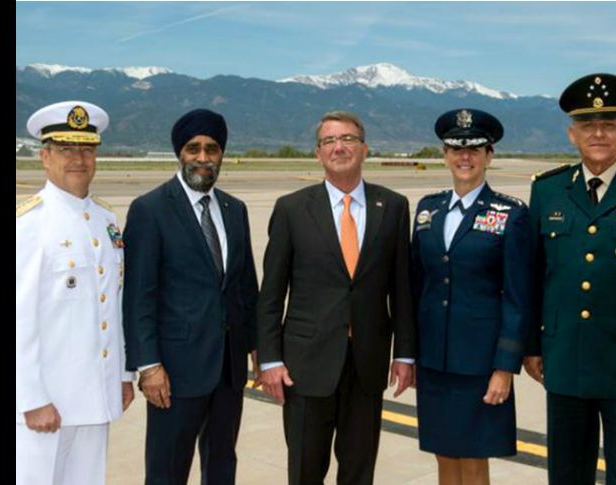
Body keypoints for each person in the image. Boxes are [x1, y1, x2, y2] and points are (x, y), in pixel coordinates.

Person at [257, 111, 417, 485]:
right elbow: (271, 293)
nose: (339, 147)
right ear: (317, 153)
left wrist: (405, 353)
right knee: (305, 470)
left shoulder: (392, 207)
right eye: (329, 141)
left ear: (364, 149)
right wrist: (269, 358)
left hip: (367, 363)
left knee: (359, 471)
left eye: (347, 139)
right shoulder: (291, 209)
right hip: (305, 366)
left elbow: (402, 288)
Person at [523, 73, 616, 485]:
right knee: (566, 473)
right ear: (572, 134)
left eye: (608, 125)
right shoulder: (548, 192)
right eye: (587, 125)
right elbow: (535, 275)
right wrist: (532, 346)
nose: (598, 133)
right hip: (565, 361)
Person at [122, 109, 259, 485]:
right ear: (179, 153)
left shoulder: (235, 209)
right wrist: (148, 365)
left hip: (228, 370)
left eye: (211, 149)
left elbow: (246, 286)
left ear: (221, 154)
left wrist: (258, 346)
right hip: (175, 372)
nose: (203, 157)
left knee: (221, 467)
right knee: (168, 470)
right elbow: (138, 296)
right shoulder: (150, 209)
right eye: (193, 148)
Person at [410, 109, 532, 485]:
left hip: (480, 362)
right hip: (435, 359)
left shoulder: (510, 214)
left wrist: (504, 368)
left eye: (475, 150)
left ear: (489, 156)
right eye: (455, 149)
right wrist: (410, 352)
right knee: (444, 453)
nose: (465, 157)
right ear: (444, 155)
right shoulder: (427, 209)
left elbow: (517, 297)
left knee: (476, 459)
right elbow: (417, 285)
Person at [16, 100, 135, 485]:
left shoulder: (105, 221)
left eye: (87, 149)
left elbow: (112, 305)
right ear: (45, 156)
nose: (78, 159)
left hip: (95, 397)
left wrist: (120, 374)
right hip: (45, 403)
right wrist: (30, 398)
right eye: (67, 149)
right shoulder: (29, 224)